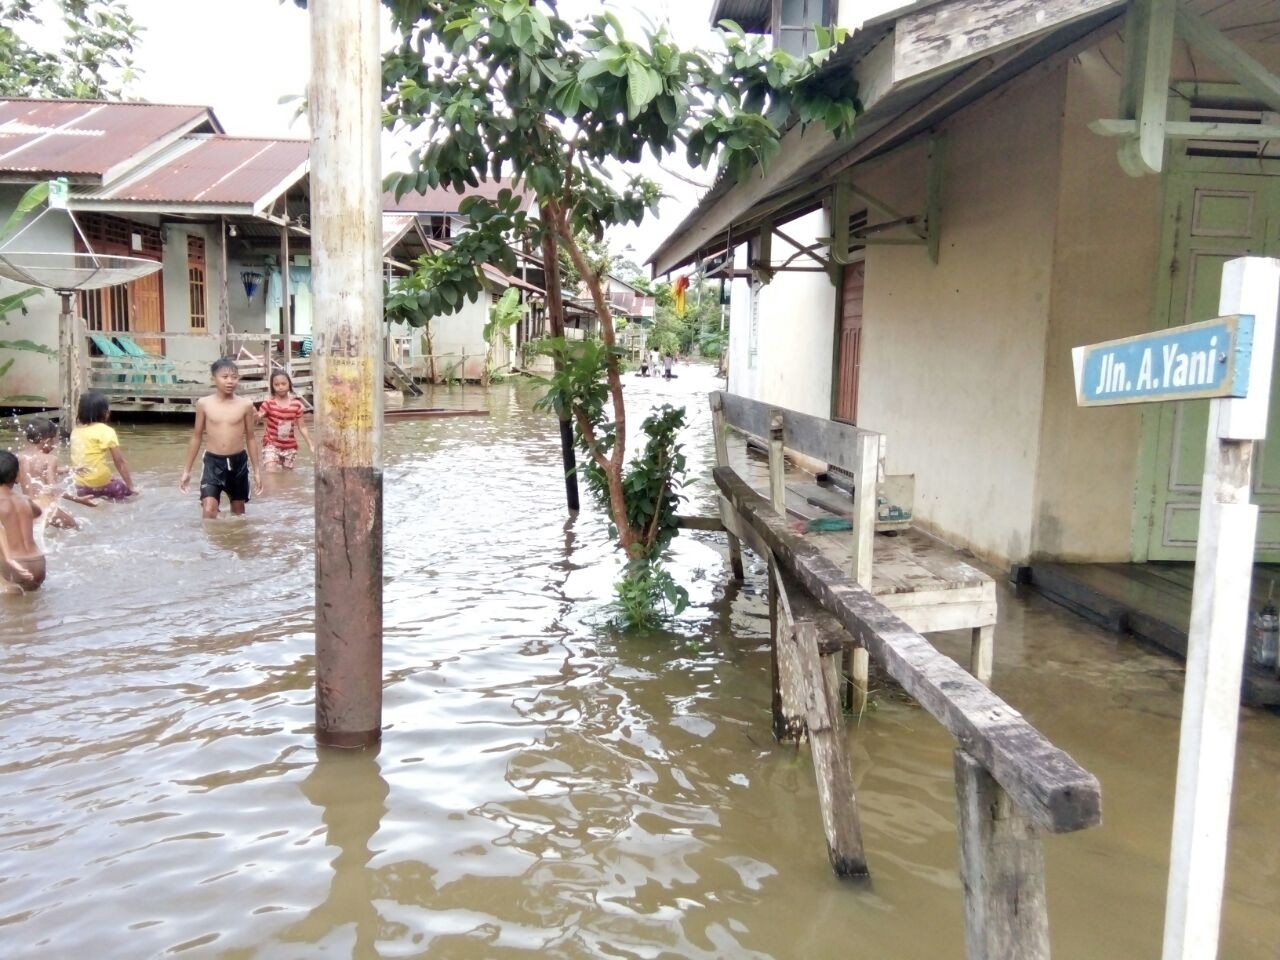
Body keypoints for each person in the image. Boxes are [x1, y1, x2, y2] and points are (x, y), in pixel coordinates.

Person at [178, 357, 263, 517]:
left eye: (234, 377)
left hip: (238, 463)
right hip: (213, 462)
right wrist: (186, 470)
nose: (230, 381)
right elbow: (196, 437)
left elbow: (251, 438)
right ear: (213, 379)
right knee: (209, 509)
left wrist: (257, 471)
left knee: (238, 513)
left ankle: (234, 541)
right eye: (224, 377)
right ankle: (209, 541)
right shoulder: (204, 404)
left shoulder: (245, 404)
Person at [17, 417, 91, 528]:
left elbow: (38, 472)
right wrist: (77, 499)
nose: (54, 445)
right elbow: (53, 488)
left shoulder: (20, 457)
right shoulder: (50, 459)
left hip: (27, 507)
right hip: (45, 508)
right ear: (47, 442)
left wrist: (72, 469)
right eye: (53, 441)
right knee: (76, 527)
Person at [70, 391, 135, 500]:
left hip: (80, 487)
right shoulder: (106, 431)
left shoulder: (75, 431)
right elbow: (119, 462)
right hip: (103, 484)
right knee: (130, 496)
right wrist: (131, 487)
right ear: (105, 412)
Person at [0, 450, 44, 592]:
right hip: (38, 563)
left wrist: (8, 559)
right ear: (17, 476)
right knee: (32, 609)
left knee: (14, 611)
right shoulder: (25, 500)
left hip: (14, 564)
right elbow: (38, 513)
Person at [256, 370, 311, 472]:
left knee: (287, 474)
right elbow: (258, 417)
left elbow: (302, 427)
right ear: (272, 386)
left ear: (289, 384)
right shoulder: (268, 404)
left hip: (289, 446)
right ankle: (272, 488)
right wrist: (256, 415)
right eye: (276, 384)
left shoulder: (296, 405)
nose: (280, 387)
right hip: (271, 444)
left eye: (283, 384)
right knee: (270, 469)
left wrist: (311, 444)